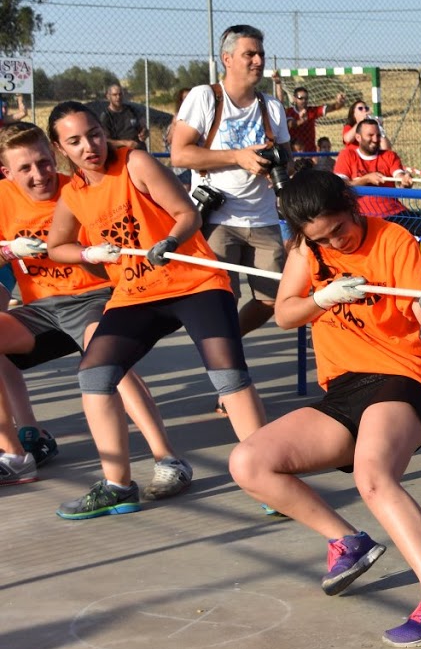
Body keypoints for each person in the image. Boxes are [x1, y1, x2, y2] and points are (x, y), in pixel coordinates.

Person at [229, 168, 421, 646]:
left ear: (351, 204)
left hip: (400, 377)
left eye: (339, 229)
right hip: (343, 387)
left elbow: (420, 317)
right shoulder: (308, 250)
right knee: (248, 462)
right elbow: (285, 314)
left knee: (373, 475)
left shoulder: (393, 240)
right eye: (321, 238)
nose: (335, 243)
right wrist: (321, 297)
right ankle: (347, 541)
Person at [45, 101, 266, 519]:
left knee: (227, 373)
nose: (89, 146)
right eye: (74, 141)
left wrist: (170, 241)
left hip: (194, 282)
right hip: (135, 293)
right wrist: (88, 253)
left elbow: (187, 214)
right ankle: (117, 486)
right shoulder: (73, 194)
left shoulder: (135, 163)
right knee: (94, 375)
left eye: (94, 134)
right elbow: (57, 246)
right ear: (61, 149)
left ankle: (268, 475)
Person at [0, 122, 185, 494]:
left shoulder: (79, 189)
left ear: (55, 156)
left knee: (107, 362)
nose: (39, 175)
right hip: (41, 310)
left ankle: (168, 460)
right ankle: (15, 456)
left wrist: (90, 254)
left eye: (44, 162)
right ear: (6, 172)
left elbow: (124, 250)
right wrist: (7, 250)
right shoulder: (3, 197)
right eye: (25, 168)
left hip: (92, 297)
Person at [171, 25, 291, 340]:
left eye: (260, 54)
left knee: (271, 299)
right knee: (222, 299)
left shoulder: (272, 107)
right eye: (249, 54)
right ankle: (226, 356)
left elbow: (286, 156)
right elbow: (180, 154)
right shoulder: (205, 97)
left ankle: (228, 342)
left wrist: (273, 165)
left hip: (264, 217)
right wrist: (238, 157)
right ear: (227, 58)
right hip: (218, 218)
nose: (258, 61)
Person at [333, 117, 420, 233]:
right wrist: (366, 179)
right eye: (370, 135)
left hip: (395, 212)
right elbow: (340, 185)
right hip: (363, 216)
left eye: (378, 135)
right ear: (358, 137)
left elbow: (399, 174)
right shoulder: (347, 155)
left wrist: (404, 180)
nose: (375, 139)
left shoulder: (389, 156)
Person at [274, 77, 344, 154]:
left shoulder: (312, 111)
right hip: (294, 153)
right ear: (294, 99)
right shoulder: (289, 112)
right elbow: (290, 124)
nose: (304, 100)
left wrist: (339, 103)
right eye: (301, 98)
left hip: (310, 152)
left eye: (306, 98)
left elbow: (332, 107)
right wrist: (301, 121)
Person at [100, 83, 147, 151]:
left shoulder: (132, 110)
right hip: (121, 152)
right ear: (108, 96)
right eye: (115, 95)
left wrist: (144, 133)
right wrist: (125, 143)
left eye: (120, 94)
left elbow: (144, 128)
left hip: (140, 149)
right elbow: (105, 141)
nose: (118, 97)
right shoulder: (106, 116)